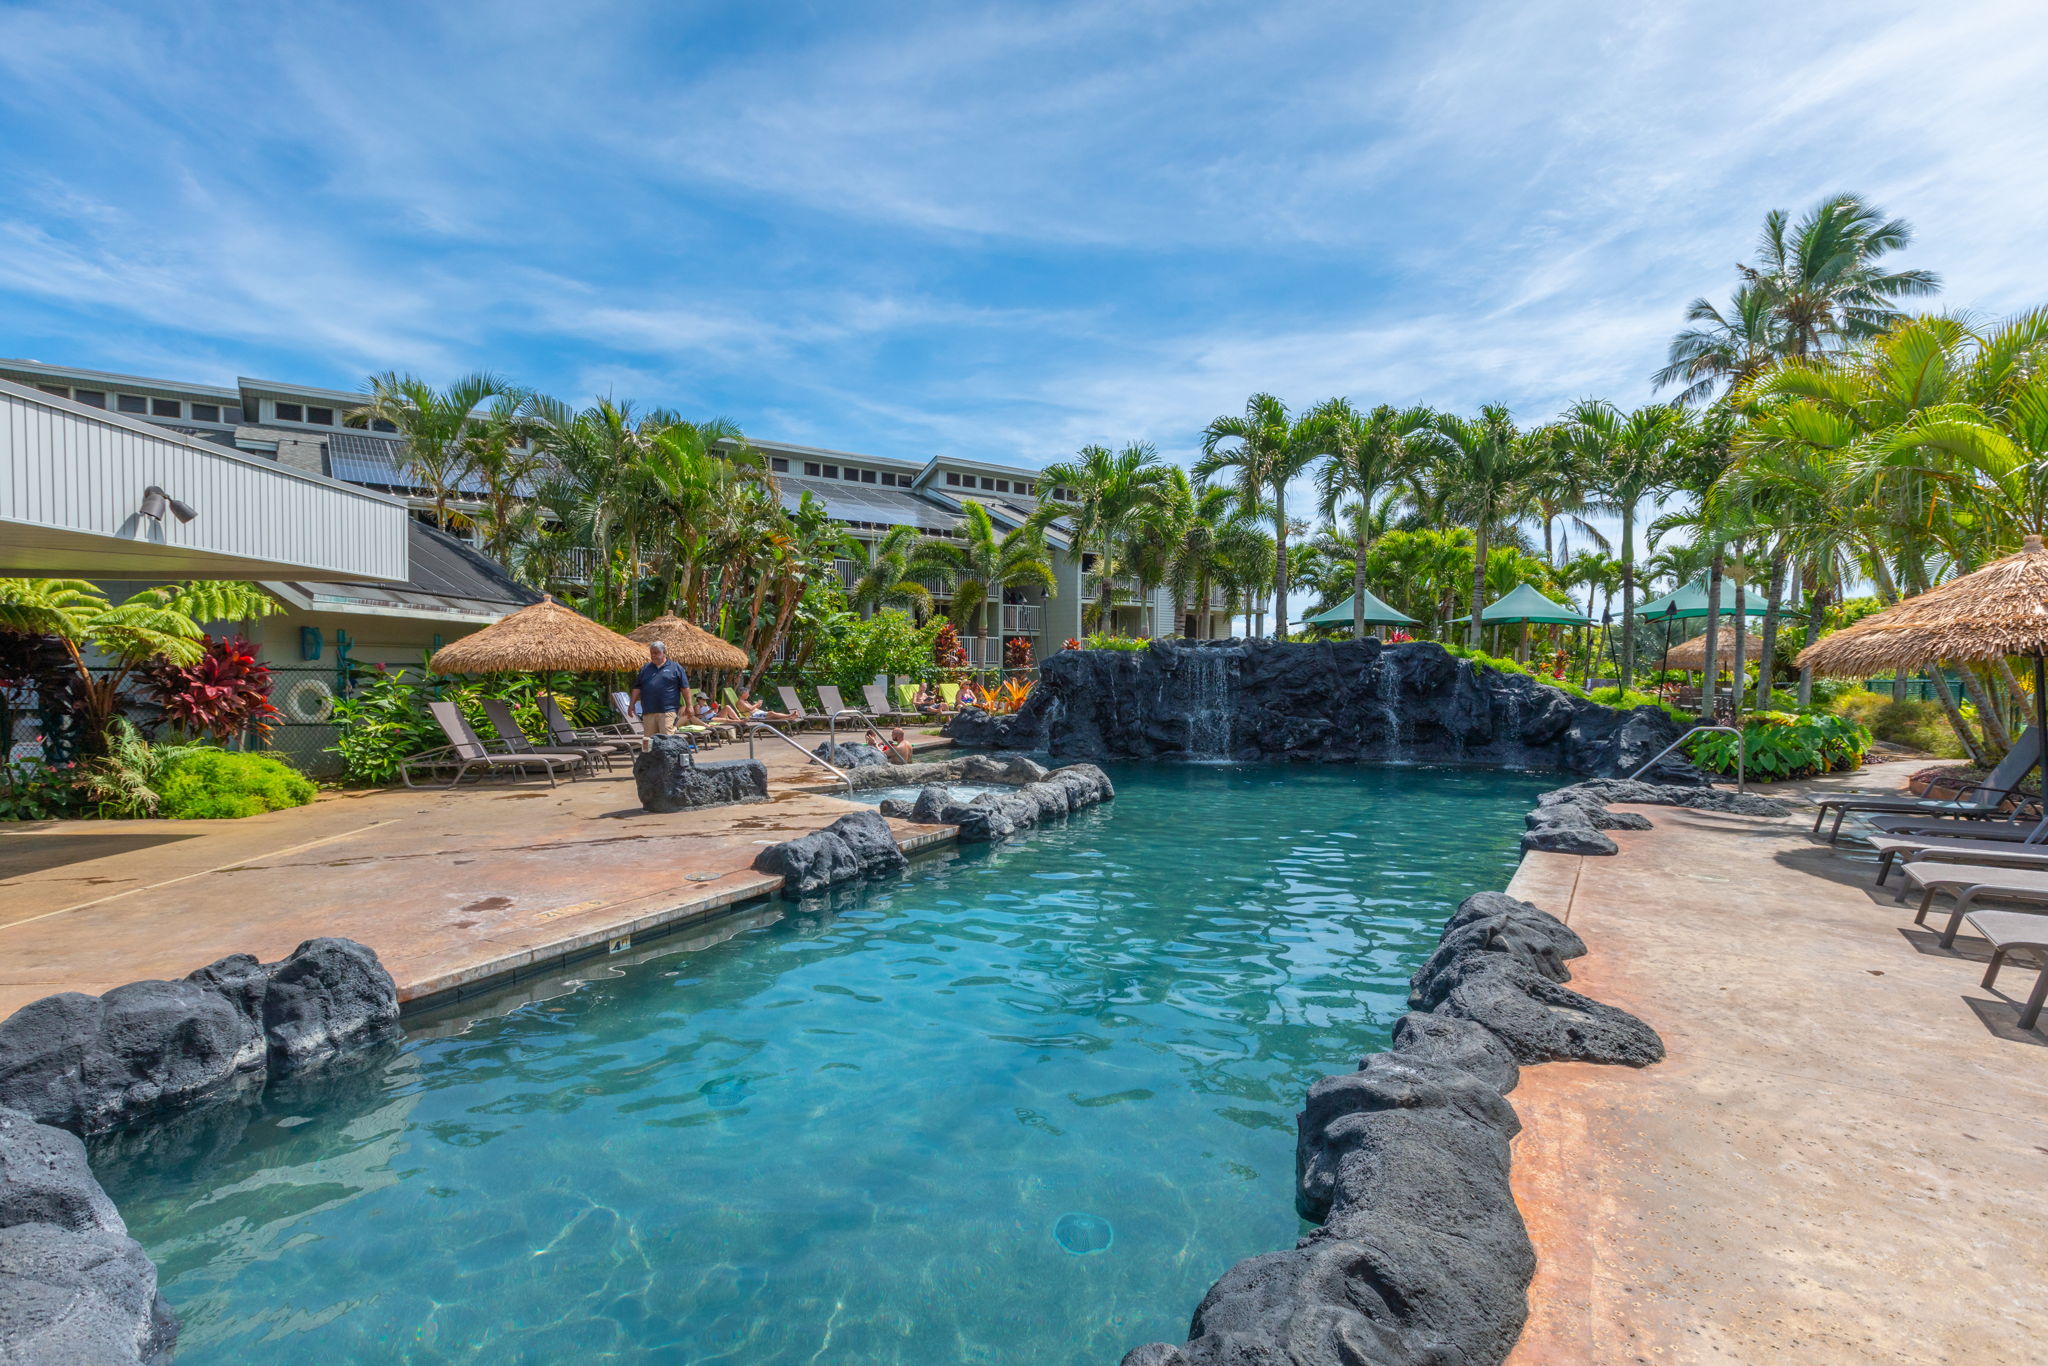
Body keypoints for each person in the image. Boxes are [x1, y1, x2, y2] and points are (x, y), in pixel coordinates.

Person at [630, 641, 692, 737]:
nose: (653, 656)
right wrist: (631, 705)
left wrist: (689, 705)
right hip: (648, 711)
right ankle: (648, 753)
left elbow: (685, 688)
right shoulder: (645, 668)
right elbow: (637, 688)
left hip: (667, 711)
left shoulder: (675, 667)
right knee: (649, 740)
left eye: (656, 653)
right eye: (652, 653)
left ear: (664, 653)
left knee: (666, 740)